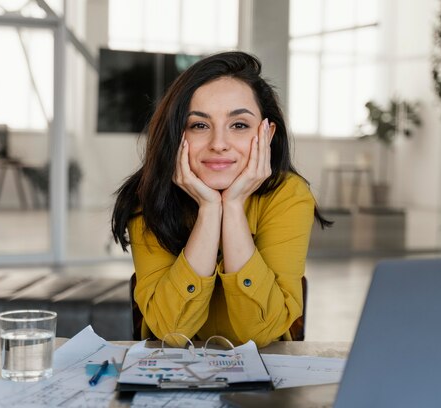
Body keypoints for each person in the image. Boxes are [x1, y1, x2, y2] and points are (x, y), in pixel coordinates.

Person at [111, 51, 331, 348]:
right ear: (177, 134)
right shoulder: (150, 194)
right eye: (199, 125)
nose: (218, 144)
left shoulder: (288, 195)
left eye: (239, 125)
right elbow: (171, 332)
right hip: (169, 378)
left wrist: (234, 207)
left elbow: (260, 334)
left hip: (265, 378)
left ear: (266, 134)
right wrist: (210, 210)